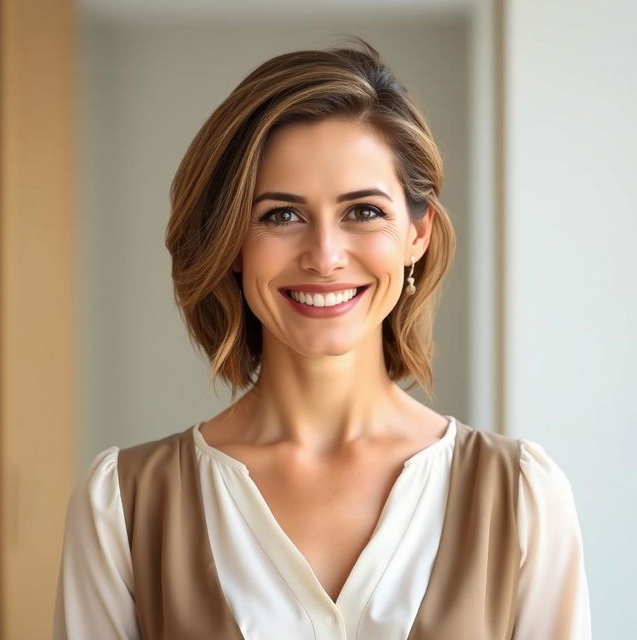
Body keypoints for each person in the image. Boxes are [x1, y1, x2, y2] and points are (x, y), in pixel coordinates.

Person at [53, 37, 591, 639]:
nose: (325, 256)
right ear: (232, 240)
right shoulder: (123, 507)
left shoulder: (522, 496)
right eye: (281, 215)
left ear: (418, 234)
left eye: (362, 211)